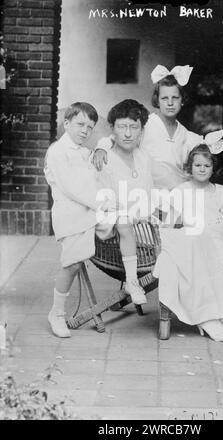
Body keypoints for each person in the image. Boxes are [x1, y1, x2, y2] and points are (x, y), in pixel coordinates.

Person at [44, 102, 147, 338]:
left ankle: (132, 281)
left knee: (124, 220)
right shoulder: (58, 152)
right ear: (66, 123)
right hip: (72, 214)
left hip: (92, 210)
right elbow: (74, 189)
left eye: (90, 128)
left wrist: (109, 199)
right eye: (80, 124)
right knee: (72, 264)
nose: (85, 131)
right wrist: (103, 202)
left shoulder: (84, 151)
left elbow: (97, 180)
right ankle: (57, 313)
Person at [154, 139, 223, 341]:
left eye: (207, 166)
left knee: (221, 260)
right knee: (197, 244)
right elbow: (169, 222)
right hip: (190, 242)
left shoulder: (219, 191)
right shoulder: (182, 191)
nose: (202, 169)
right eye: (197, 165)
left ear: (213, 169)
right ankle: (209, 319)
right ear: (190, 168)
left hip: (215, 242)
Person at [92, 65, 203, 190]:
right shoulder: (146, 124)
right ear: (157, 100)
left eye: (175, 98)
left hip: (175, 190)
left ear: (182, 100)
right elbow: (114, 138)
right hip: (147, 188)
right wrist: (101, 148)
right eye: (164, 98)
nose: (170, 103)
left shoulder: (185, 134)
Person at [95, 99, 155, 306]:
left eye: (134, 127)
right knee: (123, 218)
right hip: (112, 226)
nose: (128, 133)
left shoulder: (144, 157)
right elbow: (104, 202)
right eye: (122, 127)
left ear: (141, 130)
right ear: (112, 129)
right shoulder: (104, 158)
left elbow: (148, 195)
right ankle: (131, 281)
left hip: (140, 224)